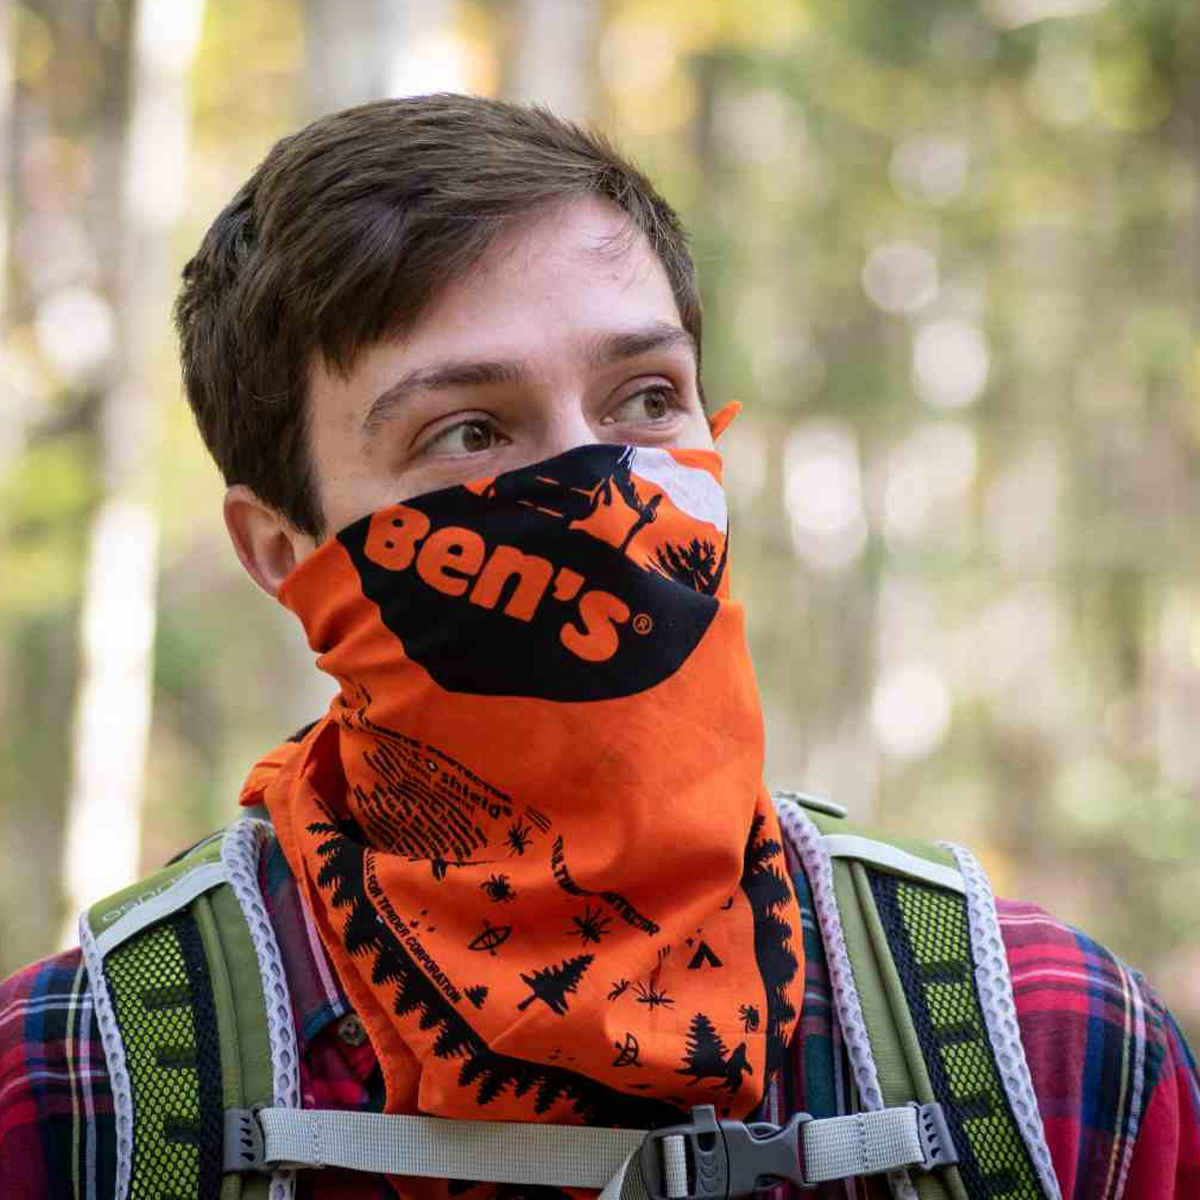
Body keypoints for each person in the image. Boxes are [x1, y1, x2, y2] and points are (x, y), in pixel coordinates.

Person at [1, 94, 1197, 1200]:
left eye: (647, 399)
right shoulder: (79, 1090)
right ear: (280, 548)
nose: (604, 486)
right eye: (470, 431)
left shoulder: (1049, 1045)